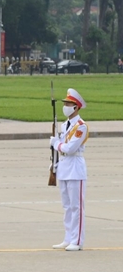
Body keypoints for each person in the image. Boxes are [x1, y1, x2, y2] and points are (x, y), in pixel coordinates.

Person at [51, 89, 88, 251]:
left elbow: (70, 148)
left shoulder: (81, 127)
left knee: (76, 206)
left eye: (69, 104)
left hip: (75, 166)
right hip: (64, 167)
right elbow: (62, 147)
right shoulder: (65, 124)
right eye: (65, 103)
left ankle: (77, 240)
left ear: (76, 107)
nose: (65, 106)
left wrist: (56, 144)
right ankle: (68, 237)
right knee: (67, 206)